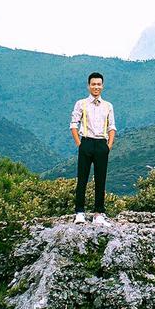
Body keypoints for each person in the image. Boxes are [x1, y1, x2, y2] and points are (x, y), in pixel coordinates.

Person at [70, 71, 115, 220]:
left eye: (99, 84)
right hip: (86, 142)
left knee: (101, 179)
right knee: (82, 178)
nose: (96, 87)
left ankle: (98, 213)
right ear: (89, 86)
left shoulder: (108, 106)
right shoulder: (81, 103)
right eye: (93, 84)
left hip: (102, 143)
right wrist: (79, 144)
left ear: (103, 86)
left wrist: (108, 146)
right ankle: (79, 213)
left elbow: (112, 127)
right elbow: (73, 125)